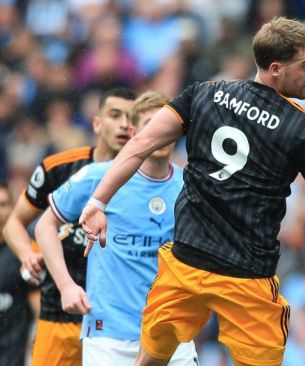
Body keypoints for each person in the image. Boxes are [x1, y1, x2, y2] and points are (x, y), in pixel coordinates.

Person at [79, 17, 305, 366]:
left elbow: (141, 144)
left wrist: (98, 201)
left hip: (186, 265)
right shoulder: (300, 128)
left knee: (149, 363)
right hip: (246, 278)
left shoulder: (204, 93)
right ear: (276, 69)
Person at [36, 91, 198, 365]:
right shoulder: (101, 177)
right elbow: (45, 225)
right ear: (134, 131)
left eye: (164, 125)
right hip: (108, 335)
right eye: (149, 124)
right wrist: (66, 287)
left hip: (170, 332)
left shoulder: (189, 187)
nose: (158, 133)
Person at [2, 87, 136, 366]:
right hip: (60, 315)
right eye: (115, 115)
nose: (124, 123)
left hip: (121, 323)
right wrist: (28, 255)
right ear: (97, 123)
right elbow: (14, 223)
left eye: (132, 117)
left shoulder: (150, 178)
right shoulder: (59, 168)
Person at [0, 182, 39, 366]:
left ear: (13, 207)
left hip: (13, 357)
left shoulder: (25, 251)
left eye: (3, 204)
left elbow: (38, 307)